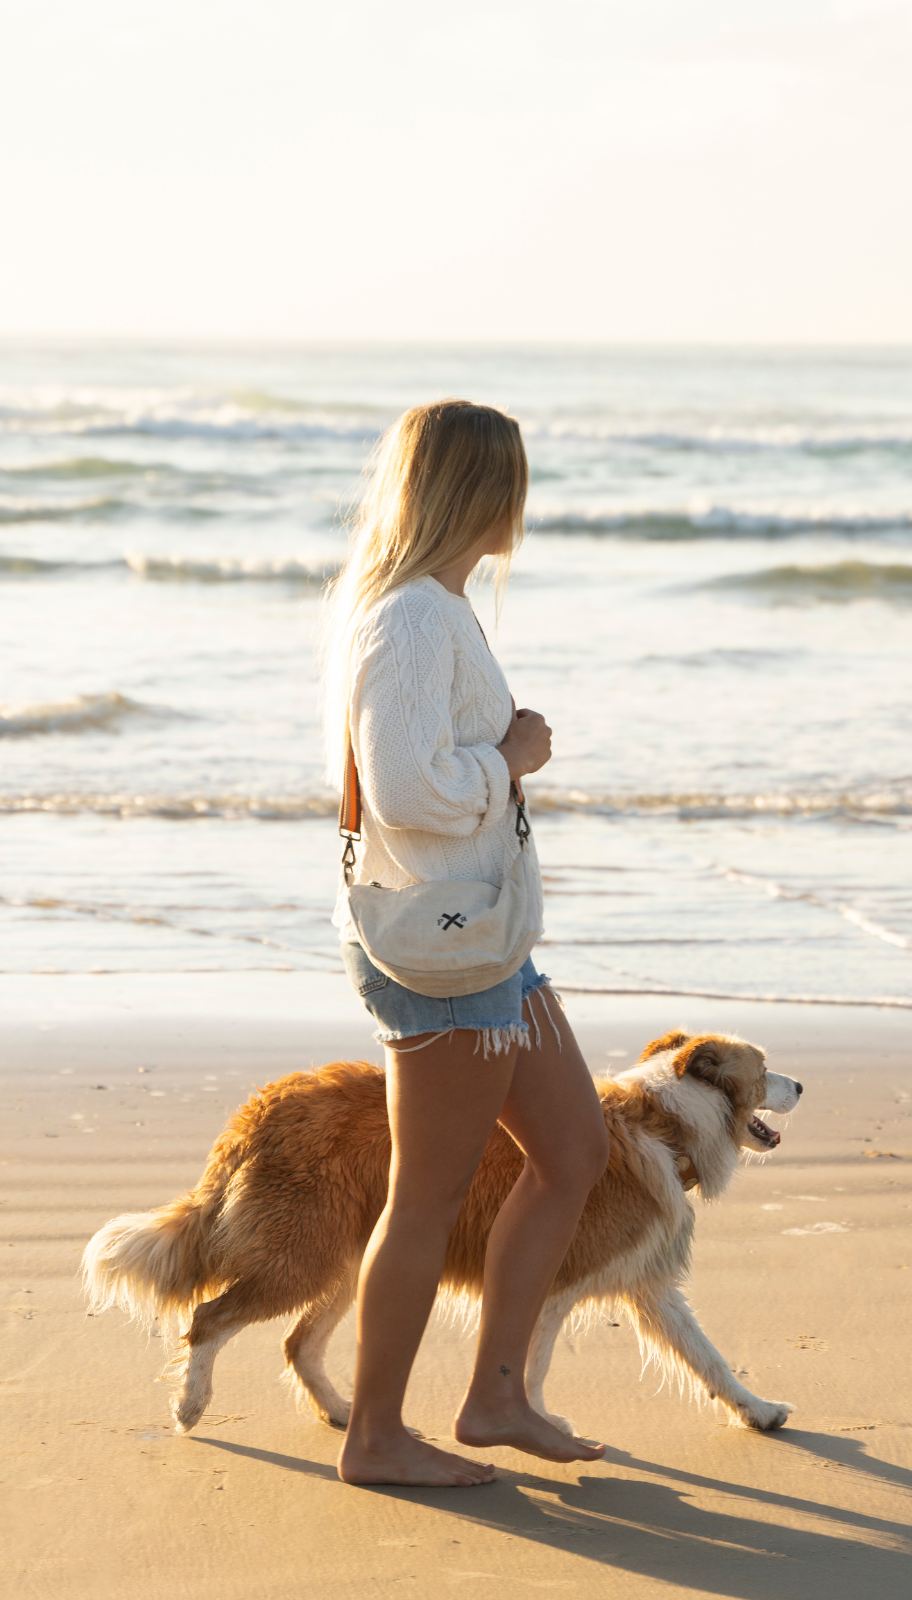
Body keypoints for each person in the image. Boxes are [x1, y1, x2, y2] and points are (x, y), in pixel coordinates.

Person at [322, 399, 610, 1488]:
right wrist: (512, 759)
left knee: (575, 1151)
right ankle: (378, 1437)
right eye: (512, 481)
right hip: (441, 953)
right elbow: (404, 794)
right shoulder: (406, 619)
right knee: (429, 1196)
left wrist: (495, 756)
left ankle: (495, 1396)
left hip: (485, 939)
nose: (521, 504)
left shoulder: (436, 609)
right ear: (482, 490)